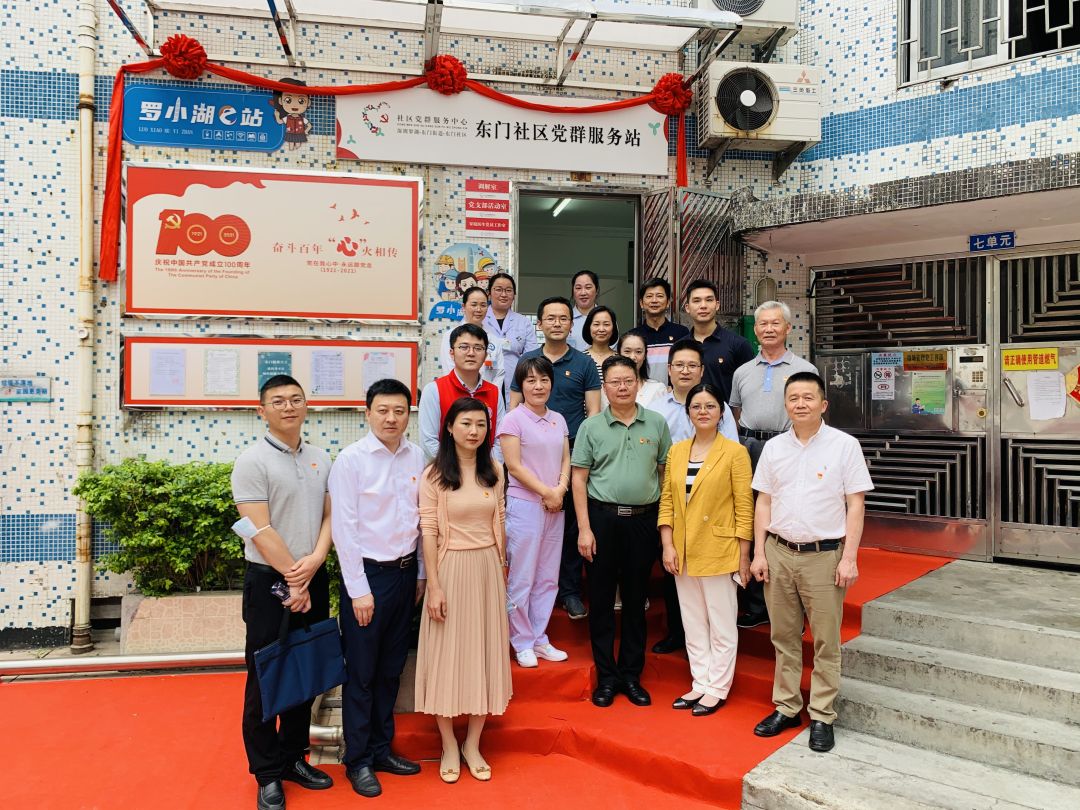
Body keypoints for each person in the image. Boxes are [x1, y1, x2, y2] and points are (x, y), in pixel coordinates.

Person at [750, 371, 874, 754]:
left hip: (824, 556)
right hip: (779, 551)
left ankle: (822, 714)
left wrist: (849, 558)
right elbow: (763, 502)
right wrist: (759, 552)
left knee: (825, 640)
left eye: (808, 397)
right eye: (793, 398)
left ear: (823, 404)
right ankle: (787, 707)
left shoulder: (845, 446)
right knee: (784, 637)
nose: (800, 404)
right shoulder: (774, 448)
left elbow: (856, 504)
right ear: (785, 405)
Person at [231, 375, 333, 810]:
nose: (288, 407)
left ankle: (293, 758)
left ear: (306, 405)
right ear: (262, 411)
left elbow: (330, 517)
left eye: (295, 399)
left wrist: (315, 562)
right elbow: (260, 528)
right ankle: (267, 773)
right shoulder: (251, 462)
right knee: (266, 675)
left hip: (312, 574)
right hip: (270, 581)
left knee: (304, 672)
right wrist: (294, 579)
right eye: (278, 401)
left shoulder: (320, 458)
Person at [328, 379, 425, 798]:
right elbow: (344, 529)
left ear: (408, 415)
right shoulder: (351, 461)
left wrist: (420, 573)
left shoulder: (416, 455)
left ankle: (382, 750)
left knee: (390, 669)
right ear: (367, 413)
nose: (391, 418)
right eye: (383, 410)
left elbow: (421, 518)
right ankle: (358, 760)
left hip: (405, 576)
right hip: (369, 578)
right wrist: (358, 590)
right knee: (362, 674)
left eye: (399, 411)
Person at [415, 398, 513, 783]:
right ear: (449, 427)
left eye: (481, 424)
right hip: (450, 569)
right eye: (466, 423)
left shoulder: (495, 470)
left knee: (484, 653)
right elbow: (428, 531)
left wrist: (502, 569)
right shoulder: (434, 475)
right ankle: (448, 744)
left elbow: (500, 520)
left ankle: (472, 743)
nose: (474, 431)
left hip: (487, 568)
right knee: (447, 655)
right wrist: (434, 586)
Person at [572, 355, 672, 709]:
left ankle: (631, 675)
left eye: (628, 381)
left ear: (637, 383)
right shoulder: (591, 427)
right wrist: (584, 529)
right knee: (600, 601)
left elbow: (665, 474)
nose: (622, 387)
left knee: (635, 600)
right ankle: (606, 678)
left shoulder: (656, 423)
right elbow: (579, 479)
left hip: (643, 521)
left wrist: (664, 523)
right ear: (605, 387)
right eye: (614, 382)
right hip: (602, 520)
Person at [658, 383, 753, 716]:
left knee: (721, 623)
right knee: (693, 621)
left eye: (710, 406)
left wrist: (744, 556)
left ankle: (717, 687)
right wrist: (667, 544)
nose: (703, 412)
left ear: (721, 412)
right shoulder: (677, 451)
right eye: (696, 406)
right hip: (682, 549)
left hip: (719, 548)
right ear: (688, 413)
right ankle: (700, 682)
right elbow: (667, 501)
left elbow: (745, 507)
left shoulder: (735, 452)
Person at [644, 339, 738, 656]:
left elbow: (732, 454)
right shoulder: (656, 410)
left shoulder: (718, 408)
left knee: (712, 576)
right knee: (674, 567)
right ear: (669, 370)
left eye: (692, 365)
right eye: (679, 365)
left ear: (701, 370)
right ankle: (678, 633)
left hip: (712, 504)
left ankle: (713, 639)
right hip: (671, 501)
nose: (685, 371)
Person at [510, 296, 601, 621]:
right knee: (534, 525)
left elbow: (593, 413)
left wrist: (585, 457)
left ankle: (570, 591)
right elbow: (514, 408)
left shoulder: (584, 363)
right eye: (550, 318)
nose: (557, 323)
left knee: (571, 523)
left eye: (563, 318)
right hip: (531, 454)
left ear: (571, 324)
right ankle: (529, 595)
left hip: (572, 452)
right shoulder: (528, 361)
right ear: (540, 324)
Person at [729, 300, 818, 629]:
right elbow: (735, 415)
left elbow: (813, 415)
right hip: (749, 447)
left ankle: (795, 605)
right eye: (763, 324)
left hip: (789, 447)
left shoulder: (804, 369)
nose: (769, 329)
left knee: (790, 521)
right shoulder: (742, 371)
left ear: (788, 328)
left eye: (775, 323)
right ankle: (756, 604)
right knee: (753, 520)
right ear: (755, 330)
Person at [497, 356, 572, 668]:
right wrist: (547, 492)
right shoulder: (513, 420)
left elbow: (566, 458)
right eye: (530, 380)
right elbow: (514, 466)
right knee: (522, 577)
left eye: (543, 379)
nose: (538, 386)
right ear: (521, 385)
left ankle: (539, 638)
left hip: (555, 504)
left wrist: (560, 489)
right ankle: (522, 641)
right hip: (525, 505)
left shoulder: (559, 419)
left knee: (548, 577)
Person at [420, 322, 506, 463]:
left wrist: (486, 468)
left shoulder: (494, 392)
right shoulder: (434, 390)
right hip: (445, 470)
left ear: (485, 355)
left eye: (478, 348)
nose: (471, 353)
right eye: (464, 347)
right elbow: (429, 442)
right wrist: (462, 469)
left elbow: (500, 440)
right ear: (452, 353)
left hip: (486, 471)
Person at [684, 279, 755, 405]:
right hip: (687, 415)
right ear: (687, 308)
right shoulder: (680, 347)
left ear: (717, 305)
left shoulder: (738, 344)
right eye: (696, 300)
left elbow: (750, 390)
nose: (703, 305)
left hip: (726, 416)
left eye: (709, 300)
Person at [483, 271, 538, 401]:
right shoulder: (480, 318)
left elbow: (532, 356)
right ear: (489, 293)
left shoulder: (523, 322)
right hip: (484, 375)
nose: (503, 294)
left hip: (515, 379)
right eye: (498, 289)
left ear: (514, 295)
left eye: (508, 290)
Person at [440, 286, 505, 392]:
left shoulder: (494, 340)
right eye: (474, 304)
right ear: (464, 307)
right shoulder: (450, 336)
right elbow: (449, 369)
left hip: (487, 397)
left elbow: (499, 373)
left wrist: (491, 395)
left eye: (483, 305)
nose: (478, 309)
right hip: (458, 396)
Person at [626, 278, 689, 385]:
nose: (654, 300)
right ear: (641, 303)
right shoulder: (633, 336)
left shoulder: (681, 333)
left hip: (673, 393)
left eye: (659, 296)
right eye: (649, 296)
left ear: (668, 302)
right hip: (641, 393)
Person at [616, 332, 667, 407]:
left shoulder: (657, 389)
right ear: (619, 353)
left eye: (638, 352)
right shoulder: (608, 388)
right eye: (627, 351)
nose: (632, 357)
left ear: (645, 355)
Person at [582, 305, 619, 381]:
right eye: (596, 324)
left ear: (613, 328)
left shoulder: (620, 359)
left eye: (606, 324)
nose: (601, 329)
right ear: (589, 327)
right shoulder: (579, 359)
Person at [568, 270, 599, 351]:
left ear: (597, 290)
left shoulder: (607, 318)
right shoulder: (565, 318)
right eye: (578, 288)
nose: (583, 293)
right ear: (573, 292)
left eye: (588, 287)